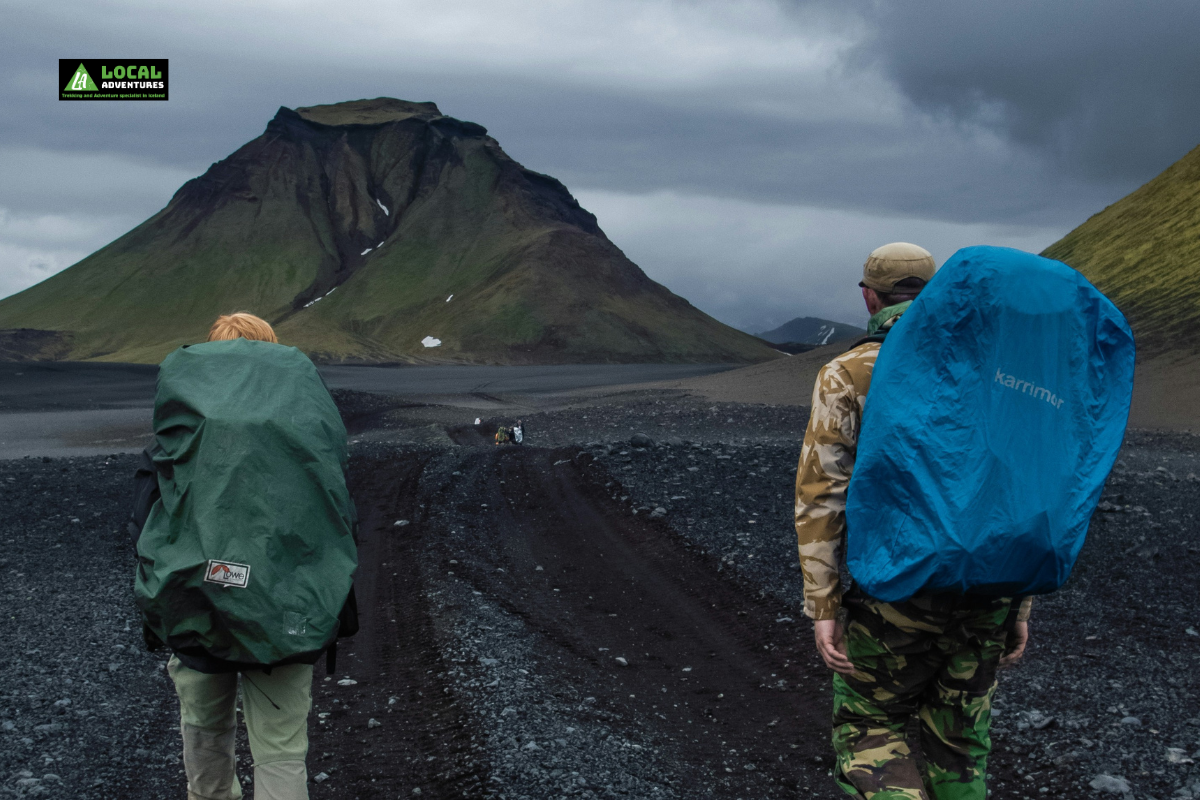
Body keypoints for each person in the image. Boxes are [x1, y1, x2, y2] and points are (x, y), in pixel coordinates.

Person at [794, 243, 1031, 800]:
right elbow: (1018, 488)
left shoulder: (848, 373)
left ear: (869, 296)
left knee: (870, 731)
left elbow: (821, 494)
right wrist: (1020, 602)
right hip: (989, 587)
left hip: (897, 590)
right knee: (962, 744)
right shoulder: (997, 370)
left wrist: (823, 606)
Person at [131, 312, 357, 800]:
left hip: (195, 602)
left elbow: (143, 519)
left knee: (205, 734)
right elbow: (338, 519)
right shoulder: (310, 430)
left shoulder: (181, 435)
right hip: (286, 610)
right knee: (281, 749)